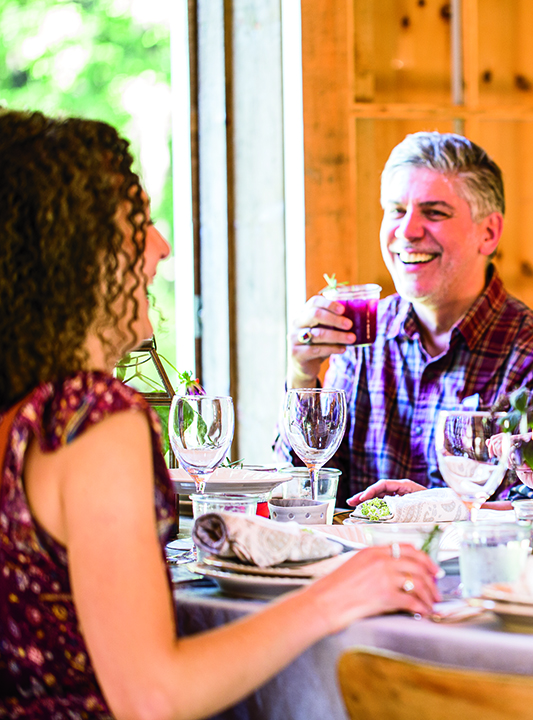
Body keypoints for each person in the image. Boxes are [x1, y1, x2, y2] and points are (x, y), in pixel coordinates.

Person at [0, 110, 439, 717]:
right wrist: (336, 596)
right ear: (73, 252)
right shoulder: (92, 416)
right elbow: (155, 697)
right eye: (138, 224)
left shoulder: (24, 410)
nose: (162, 246)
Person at [275, 132, 533, 507]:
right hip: (362, 562)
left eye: (434, 213)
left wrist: (440, 508)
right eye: (396, 210)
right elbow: (304, 490)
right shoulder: (364, 335)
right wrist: (302, 373)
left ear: (489, 233)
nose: (407, 231)